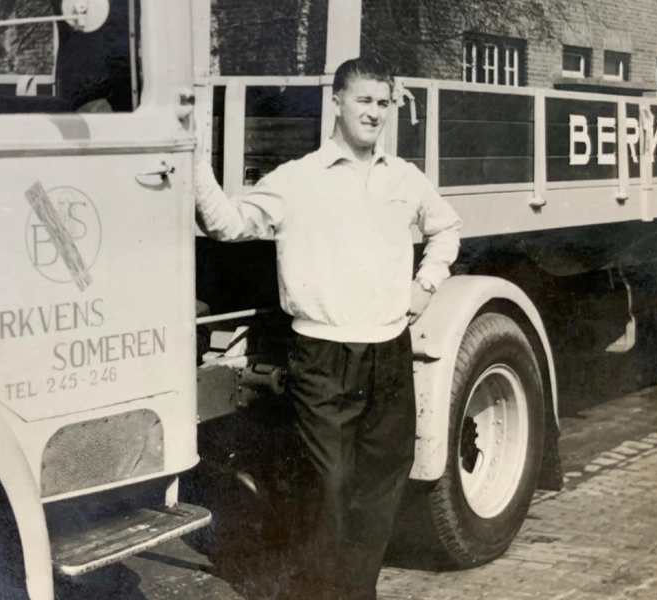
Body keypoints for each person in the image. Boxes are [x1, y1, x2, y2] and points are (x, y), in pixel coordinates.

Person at [194, 57, 462, 599]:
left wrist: (426, 283)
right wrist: (195, 160)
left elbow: (447, 229)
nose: (374, 113)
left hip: (388, 353)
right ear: (336, 102)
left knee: (381, 485)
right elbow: (224, 223)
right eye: (363, 100)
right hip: (321, 356)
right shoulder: (298, 180)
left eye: (383, 103)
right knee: (327, 491)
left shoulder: (404, 178)